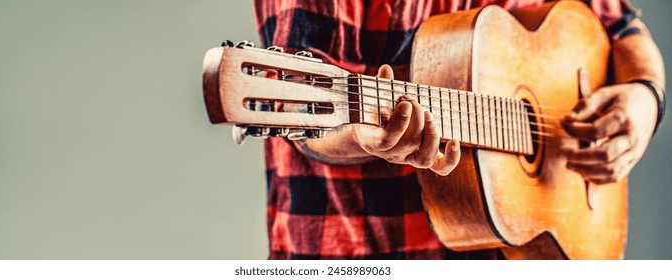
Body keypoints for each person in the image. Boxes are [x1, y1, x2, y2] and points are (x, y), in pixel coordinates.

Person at [254, 0, 665, 259]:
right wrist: (364, 134)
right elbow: (298, 106)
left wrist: (646, 96)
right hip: (363, 253)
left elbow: (622, 27)